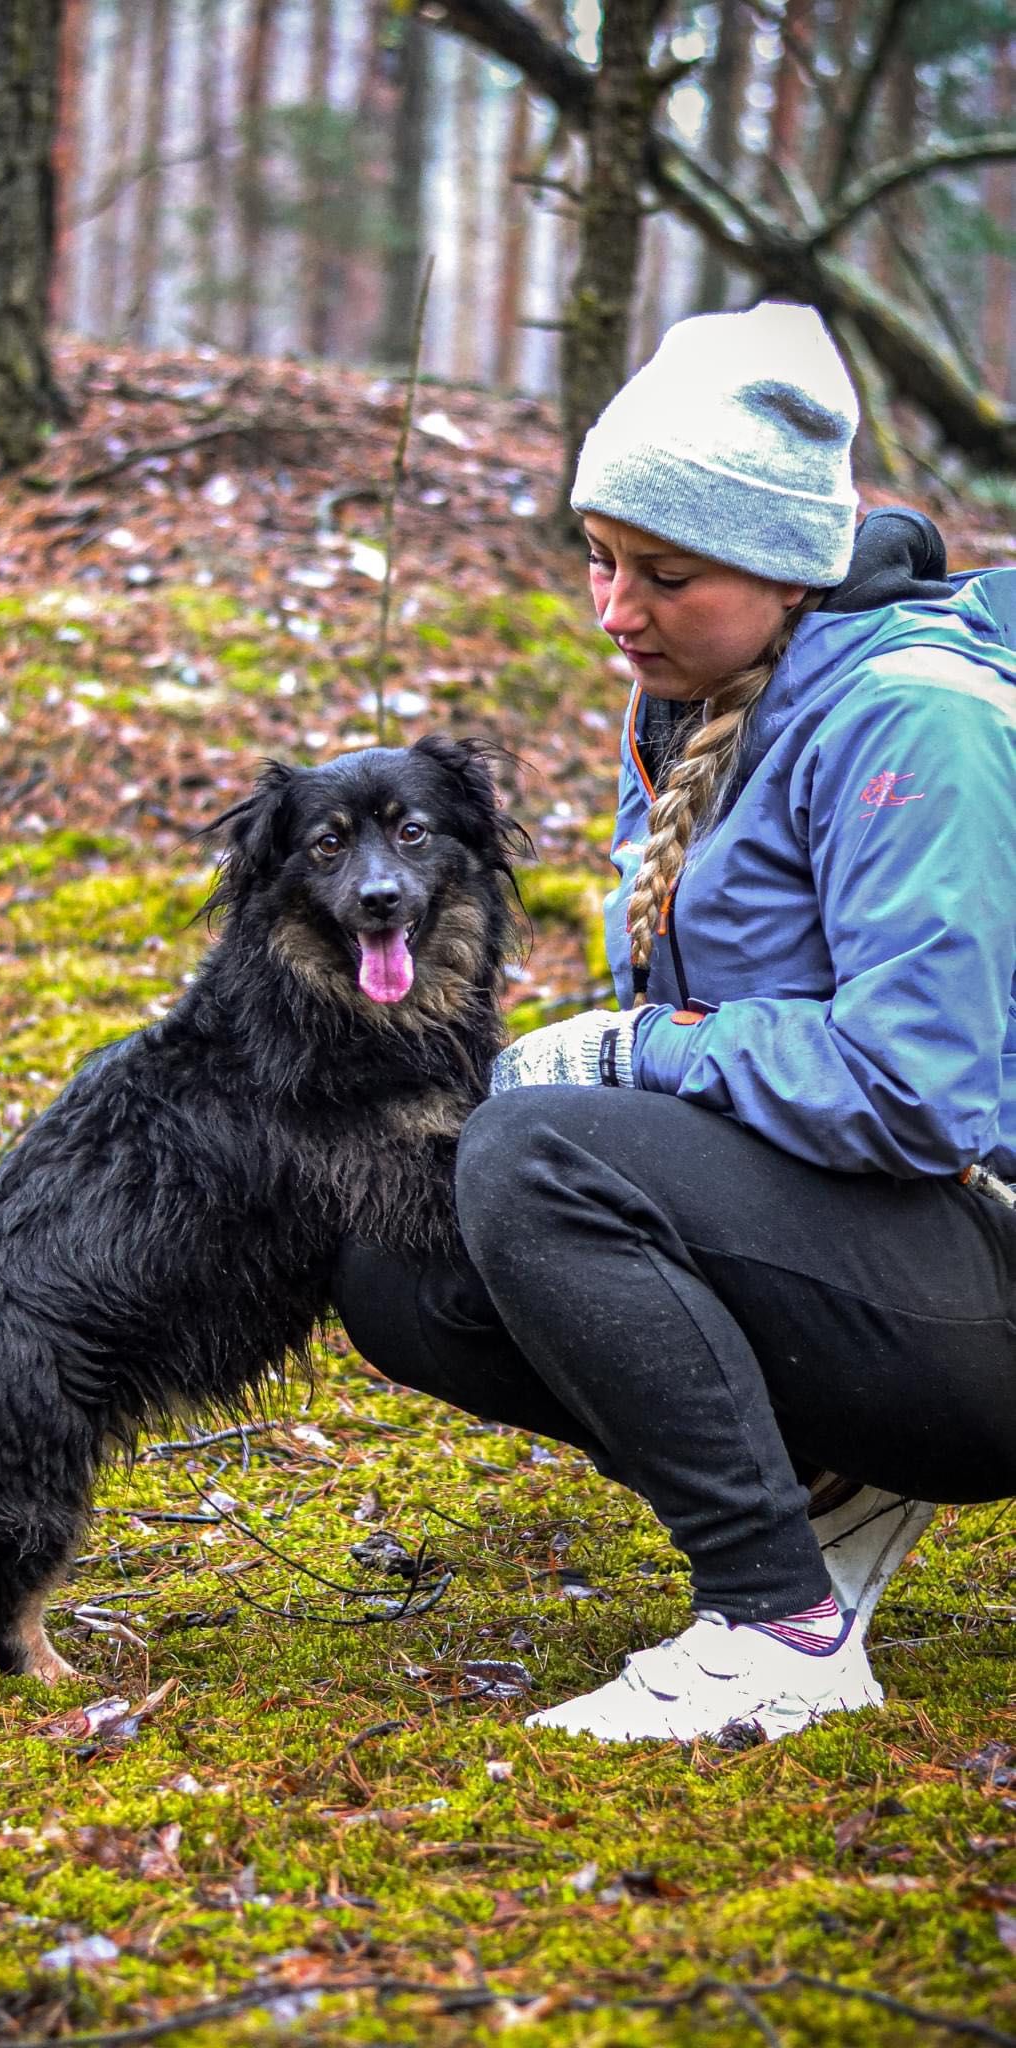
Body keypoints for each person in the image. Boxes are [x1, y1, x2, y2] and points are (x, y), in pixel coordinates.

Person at [333, 301, 1016, 1745]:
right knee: (392, 1244)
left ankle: (777, 1626)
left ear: (781, 569)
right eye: (598, 560)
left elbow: (921, 1093)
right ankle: (830, 1489)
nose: (614, 610)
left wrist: (627, 1053)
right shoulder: (713, 693)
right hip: (893, 1247)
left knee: (535, 1159)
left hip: (988, 1276)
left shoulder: (911, 723)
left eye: (664, 573)